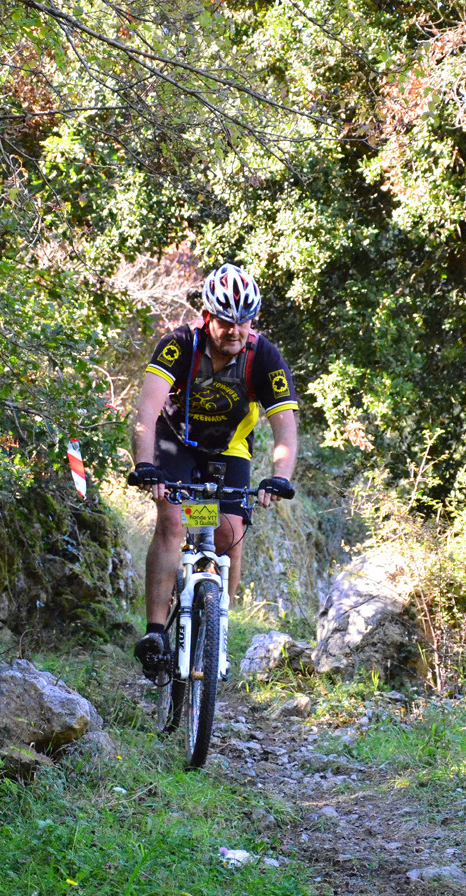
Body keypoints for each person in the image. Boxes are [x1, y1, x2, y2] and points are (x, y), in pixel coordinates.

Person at [128, 263, 299, 680]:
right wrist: (146, 465)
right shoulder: (178, 344)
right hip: (175, 442)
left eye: (244, 322)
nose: (235, 331)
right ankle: (155, 633)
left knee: (229, 533)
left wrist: (281, 475)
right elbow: (146, 411)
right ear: (208, 318)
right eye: (226, 322)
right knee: (172, 521)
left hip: (229, 448)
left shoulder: (264, 356)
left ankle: (215, 627)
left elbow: (285, 428)